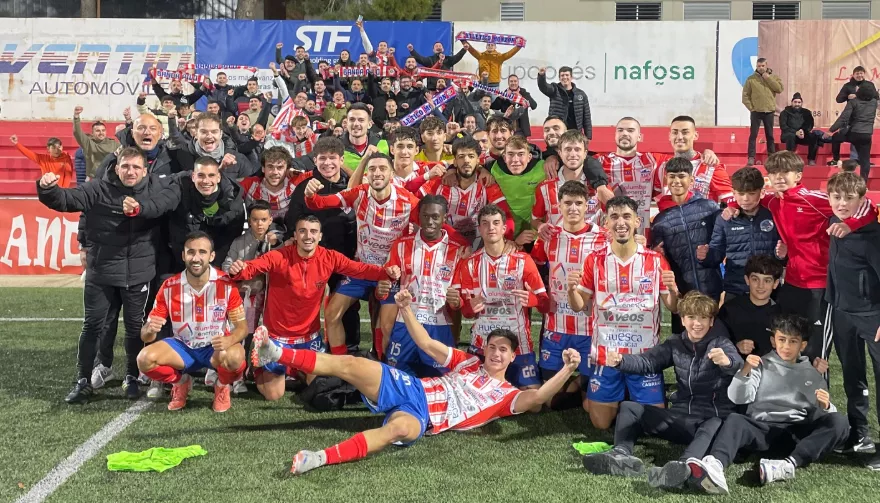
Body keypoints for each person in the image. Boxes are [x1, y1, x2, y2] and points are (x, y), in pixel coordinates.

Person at [251, 288, 580, 474]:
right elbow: (426, 344)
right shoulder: (468, 361)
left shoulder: (506, 396)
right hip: (412, 388)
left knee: (398, 430)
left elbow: (537, 399)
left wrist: (566, 371)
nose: (495, 353)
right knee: (351, 364)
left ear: (511, 357)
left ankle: (317, 458)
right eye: (492, 347)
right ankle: (275, 353)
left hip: (424, 418)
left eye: (502, 350)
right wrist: (406, 309)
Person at [36, 147, 178, 403]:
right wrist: (47, 189)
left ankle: (132, 377)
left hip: (139, 273)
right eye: (126, 167)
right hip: (101, 272)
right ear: (116, 167)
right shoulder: (97, 189)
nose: (131, 172)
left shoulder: (156, 190)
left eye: (136, 167)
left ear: (145, 171)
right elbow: (66, 200)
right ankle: (82, 380)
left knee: (135, 328)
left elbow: (172, 194)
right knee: (92, 326)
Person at [723, 150, 878, 362]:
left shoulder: (814, 199)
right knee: (787, 343)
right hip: (791, 284)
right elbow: (747, 197)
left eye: (785, 171)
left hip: (820, 285)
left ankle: (819, 394)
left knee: (815, 350)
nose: (778, 177)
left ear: (798, 175)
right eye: (774, 172)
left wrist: (850, 225)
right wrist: (732, 205)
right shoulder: (774, 201)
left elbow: (865, 204)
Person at [582, 291, 743, 490]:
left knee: (714, 423)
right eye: (691, 317)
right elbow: (647, 361)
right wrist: (621, 361)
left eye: (703, 318)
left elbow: (737, 364)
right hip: (680, 418)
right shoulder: (675, 343)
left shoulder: (721, 343)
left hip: (710, 421)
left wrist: (726, 362)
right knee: (630, 408)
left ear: (711, 322)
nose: (697, 323)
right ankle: (621, 454)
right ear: (683, 319)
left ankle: (683, 466)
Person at [227, 214, 396, 401]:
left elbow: (359, 269)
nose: (308, 236)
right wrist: (240, 270)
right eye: (303, 231)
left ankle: (294, 370)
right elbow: (254, 267)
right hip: (276, 339)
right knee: (274, 395)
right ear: (295, 235)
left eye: (313, 232)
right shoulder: (279, 256)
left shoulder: (329, 257)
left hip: (309, 340)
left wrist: (386, 272)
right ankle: (256, 368)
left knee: (321, 385)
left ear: (320, 236)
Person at [687, 314, 848, 494]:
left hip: (795, 435)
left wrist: (826, 407)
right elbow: (738, 398)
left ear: (802, 345)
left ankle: (787, 465)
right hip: (763, 430)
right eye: (782, 340)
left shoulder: (813, 373)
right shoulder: (759, 364)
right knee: (734, 420)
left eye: (793, 341)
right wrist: (745, 371)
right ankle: (715, 465)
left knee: (840, 421)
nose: (786, 346)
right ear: (773, 341)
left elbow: (822, 417)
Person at [568, 196, 679, 429]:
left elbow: (674, 307)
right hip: (606, 354)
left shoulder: (655, 260)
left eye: (626, 216)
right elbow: (579, 305)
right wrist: (570, 289)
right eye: (614, 217)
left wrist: (673, 290)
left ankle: (627, 397)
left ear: (637, 220)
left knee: (655, 426)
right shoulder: (595, 260)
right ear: (606, 222)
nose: (621, 222)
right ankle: (606, 395)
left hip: (644, 356)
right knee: (600, 424)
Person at [305, 152, 420, 356]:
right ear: (366, 174)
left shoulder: (408, 200)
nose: (377, 173)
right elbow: (320, 203)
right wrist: (310, 195)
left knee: (386, 327)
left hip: (391, 274)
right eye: (372, 169)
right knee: (331, 314)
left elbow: (432, 224)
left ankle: (385, 369)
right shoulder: (359, 193)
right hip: (361, 269)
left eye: (382, 168)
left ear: (392, 174)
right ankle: (341, 366)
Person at [137, 232, 247, 412]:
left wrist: (229, 339)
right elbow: (146, 336)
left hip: (215, 348)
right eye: (191, 252)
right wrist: (150, 329)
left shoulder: (226, 284)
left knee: (236, 357)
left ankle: (221, 385)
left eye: (202, 252)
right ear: (183, 255)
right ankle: (181, 382)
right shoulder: (169, 286)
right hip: (183, 347)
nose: (196, 258)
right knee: (144, 359)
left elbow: (242, 328)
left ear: (211, 256)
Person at [531, 181, 607, 409]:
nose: (573, 208)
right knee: (547, 402)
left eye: (578, 203)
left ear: (587, 206)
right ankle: (572, 383)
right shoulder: (548, 236)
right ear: (559, 206)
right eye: (567, 203)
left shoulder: (603, 238)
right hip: (557, 326)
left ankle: (578, 384)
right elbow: (531, 267)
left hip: (590, 328)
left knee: (589, 406)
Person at [456, 204, 549, 390]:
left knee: (534, 401)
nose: (491, 228)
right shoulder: (469, 264)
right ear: (480, 229)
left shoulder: (523, 260)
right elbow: (466, 312)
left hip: (518, 343)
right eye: (486, 224)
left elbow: (545, 304)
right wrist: (469, 306)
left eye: (496, 223)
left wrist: (532, 300)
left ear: (504, 229)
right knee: (472, 391)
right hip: (483, 342)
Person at [285, 137, 361, 353]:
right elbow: (292, 220)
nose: (328, 163)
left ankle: (350, 349)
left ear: (342, 159)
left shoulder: (352, 184)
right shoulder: (304, 187)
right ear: (315, 160)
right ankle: (302, 348)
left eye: (332, 158)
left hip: (344, 256)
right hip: (311, 258)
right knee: (304, 303)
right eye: (322, 158)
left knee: (347, 306)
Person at [825, 172, 880, 460]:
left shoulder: (874, 233)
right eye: (836, 197)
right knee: (852, 377)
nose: (842, 203)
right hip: (843, 312)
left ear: (862, 198)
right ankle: (860, 434)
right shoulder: (836, 223)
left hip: (873, 316)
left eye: (849, 198)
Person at [380, 196, 466, 376]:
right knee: (397, 377)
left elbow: (460, 299)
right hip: (406, 322)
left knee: (443, 381)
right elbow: (386, 285)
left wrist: (457, 302)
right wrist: (383, 286)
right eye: (425, 216)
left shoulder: (458, 251)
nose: (430, 222)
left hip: (439, 324)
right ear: (418, 216)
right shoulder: (401, 245)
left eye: (435, 217)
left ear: (444, 218)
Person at [140, 157, 245, 273]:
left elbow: (230, 240)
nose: (206, 181)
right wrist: (139, 208)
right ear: (193, 176)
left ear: (219, 177)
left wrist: (212, 267)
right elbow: (159, 204)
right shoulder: (180, 188)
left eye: (211, 175)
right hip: (181, 263)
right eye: (201, 175)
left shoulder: (233, 201)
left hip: (213, 266)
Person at [699, 167, 781, 299]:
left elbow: (782, 255)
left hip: (769, 291)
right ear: (734, 193)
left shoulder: (774, 216)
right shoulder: (725, 218)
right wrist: (705, 256)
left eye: (751, 193)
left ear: (762, 192)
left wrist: (783, 255)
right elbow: (716, 255)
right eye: (741, 194)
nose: (746, 199)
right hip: (735, 290)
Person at [651, 157, 722, 310]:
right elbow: (657, 257)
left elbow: (723, 242)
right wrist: (655, 253)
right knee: (684, 333)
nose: (676, 181)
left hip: (713, 289)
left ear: (691, 180)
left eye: (681, 176)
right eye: (672, 176)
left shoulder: (709, 207)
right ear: (666, 179)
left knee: (717, 332)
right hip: (682, 293)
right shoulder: (660, 219)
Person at [418, 137, 513, 246]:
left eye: (471, 156)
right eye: (461, 157)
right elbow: (414, 201)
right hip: (443, 246)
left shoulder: (486, 182)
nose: (466, 160)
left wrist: (508, 240)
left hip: (478, 246)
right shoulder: (440, 181)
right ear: (455, 161)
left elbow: (505, 214)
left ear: (478, 160)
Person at [532, 130, 614, 239]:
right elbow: (534, 219)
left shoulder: (600, 187)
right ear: (560, 153)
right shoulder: (544, 187)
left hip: (593, 250)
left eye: (577, 149)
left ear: (585, 153)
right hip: (556, 249)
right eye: (568, 149)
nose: (573, 154)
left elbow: (615, 213)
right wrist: (540, 225)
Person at [653, 116, 732, 206]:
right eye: (675, 132)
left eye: (685, 132)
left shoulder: (711, 166)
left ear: (696, 135)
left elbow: (731, 201)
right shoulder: (662, 167)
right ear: (669, 136)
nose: (679, 137)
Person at [718, 255, 783, 357]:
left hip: (770, 370)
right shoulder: (729, 310)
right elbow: (716, 343)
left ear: (775, 283)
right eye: (755, 279)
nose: (760, 286)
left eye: (767, 281)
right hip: (736, 370)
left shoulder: (781, 315)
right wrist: (735, 347)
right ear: (747, 280)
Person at [487, 135, 546, 246]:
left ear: (529, 157)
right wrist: (482, 170)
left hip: (538, 234)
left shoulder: (543, 168)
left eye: (520, 154)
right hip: (507, 235)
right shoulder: (494, 170)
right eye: (511, 154)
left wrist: (553, 158)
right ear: (504, 157)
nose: (515, 160)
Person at [240, 147, 312, 223]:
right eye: (270, 167)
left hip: (289, 232)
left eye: (280, 167)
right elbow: (228, 185)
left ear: (287, 169)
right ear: (263, 169)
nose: (275, 172)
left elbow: (321, 172)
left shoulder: (297, 181)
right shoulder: (250, 184)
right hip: (257, 233)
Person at [829, 85, 877, 181]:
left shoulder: (853, 102)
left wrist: (831, 130)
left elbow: (843, 118)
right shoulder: (874, 102)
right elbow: (876, 96)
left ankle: (836, 159)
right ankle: (864, 183)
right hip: (866, 135)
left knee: (836, 137)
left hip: (853, 133)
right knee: (865, 160)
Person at [742, 57, 783, 167]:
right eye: (759, 66)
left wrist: (767, 78)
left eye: (762, 66)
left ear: (766, 65)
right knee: (753, 135)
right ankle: (751, 157)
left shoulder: (773, 77)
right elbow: (745, 96)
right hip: (756, 111)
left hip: (769, 110)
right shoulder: (751, 79)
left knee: (770, 135)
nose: (760, 68)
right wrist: (752, 108)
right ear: (756, 66)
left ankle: (771, 158)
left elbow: (779, 89)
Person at [537, 66, 592, 139]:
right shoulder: (554, 90)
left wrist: (588, 137)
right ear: (559, 78)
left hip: (575, 133)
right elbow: (543, 87)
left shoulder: (581, 94)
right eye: (562, 75)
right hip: (558, 132)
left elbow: (587, 117)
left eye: (567, 75)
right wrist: (541, 75)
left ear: (571, 77)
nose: (564, 77)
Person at [10, 135, 74, 188]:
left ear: (62, 147)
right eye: (53, 148)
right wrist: (16, 144)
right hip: (47, 190)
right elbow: (29, 153)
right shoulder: (43, 159)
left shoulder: (66, 158)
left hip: (61, 190)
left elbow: (68, 176)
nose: (57, 150)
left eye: (59, 147)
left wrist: (64, 190)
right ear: (48, 149)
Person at [72, 106, 119, 179]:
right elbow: (77, 133)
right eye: (98, 131)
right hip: (94, 179)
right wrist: (76, 117)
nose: (101, 133)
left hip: (110, 178)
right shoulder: (88, 143)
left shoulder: (114, 144)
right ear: (92, 133)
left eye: (103, 130)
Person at [779, 93, 818, 165]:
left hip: (802, 134)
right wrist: (795, 132)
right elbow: (783, 126)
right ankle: (790, 160)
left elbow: (810, 124)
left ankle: (811, 159)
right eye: (795, 102)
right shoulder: (784, 113)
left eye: (799, 102)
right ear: (792, 102)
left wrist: (803, 130)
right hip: (788, 134)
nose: (797, 104)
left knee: (814, 137)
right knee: (791, 136)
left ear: (801, 103)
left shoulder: (806, 112)